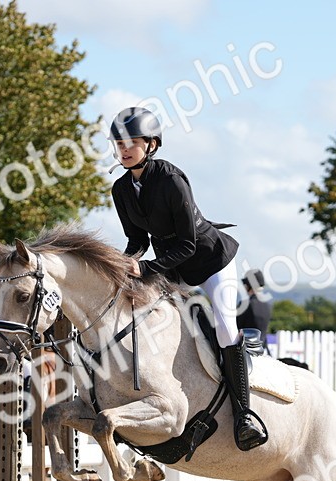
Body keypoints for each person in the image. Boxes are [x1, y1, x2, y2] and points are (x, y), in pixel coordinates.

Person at [109, 106, 267, 451]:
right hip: (173, 266)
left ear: (151, 144)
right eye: (118, 143)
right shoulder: (121, 189)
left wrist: (147, 268)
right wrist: (123, 263)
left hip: (210, 262)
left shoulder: (171, 180)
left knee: (224, 325)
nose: (123, 150)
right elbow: (137, 241)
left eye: (131, 142)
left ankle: (245, 416)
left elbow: (187, 244)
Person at [236, 269, 273, 351]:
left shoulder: (245, 305)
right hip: (263, 349)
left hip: (245, 351)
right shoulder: (268, 305)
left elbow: (235, 328)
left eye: (245, 284)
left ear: (249, 285)